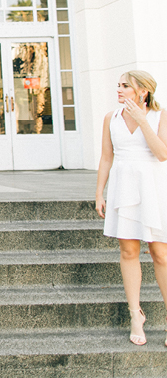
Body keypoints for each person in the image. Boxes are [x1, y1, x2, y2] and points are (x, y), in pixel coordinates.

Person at [95, 70, 167, 347]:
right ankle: (135, 314)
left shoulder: (160, 116)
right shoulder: (109, 118)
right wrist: (100, 192)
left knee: (160, 252)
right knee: (128, 250)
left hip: (153, 187)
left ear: (143, 91)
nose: (120, 90)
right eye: (119, 85)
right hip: (123, 186)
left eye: (125, 86)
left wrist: (141, 120)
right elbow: (105, 157)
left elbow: (162, 154)